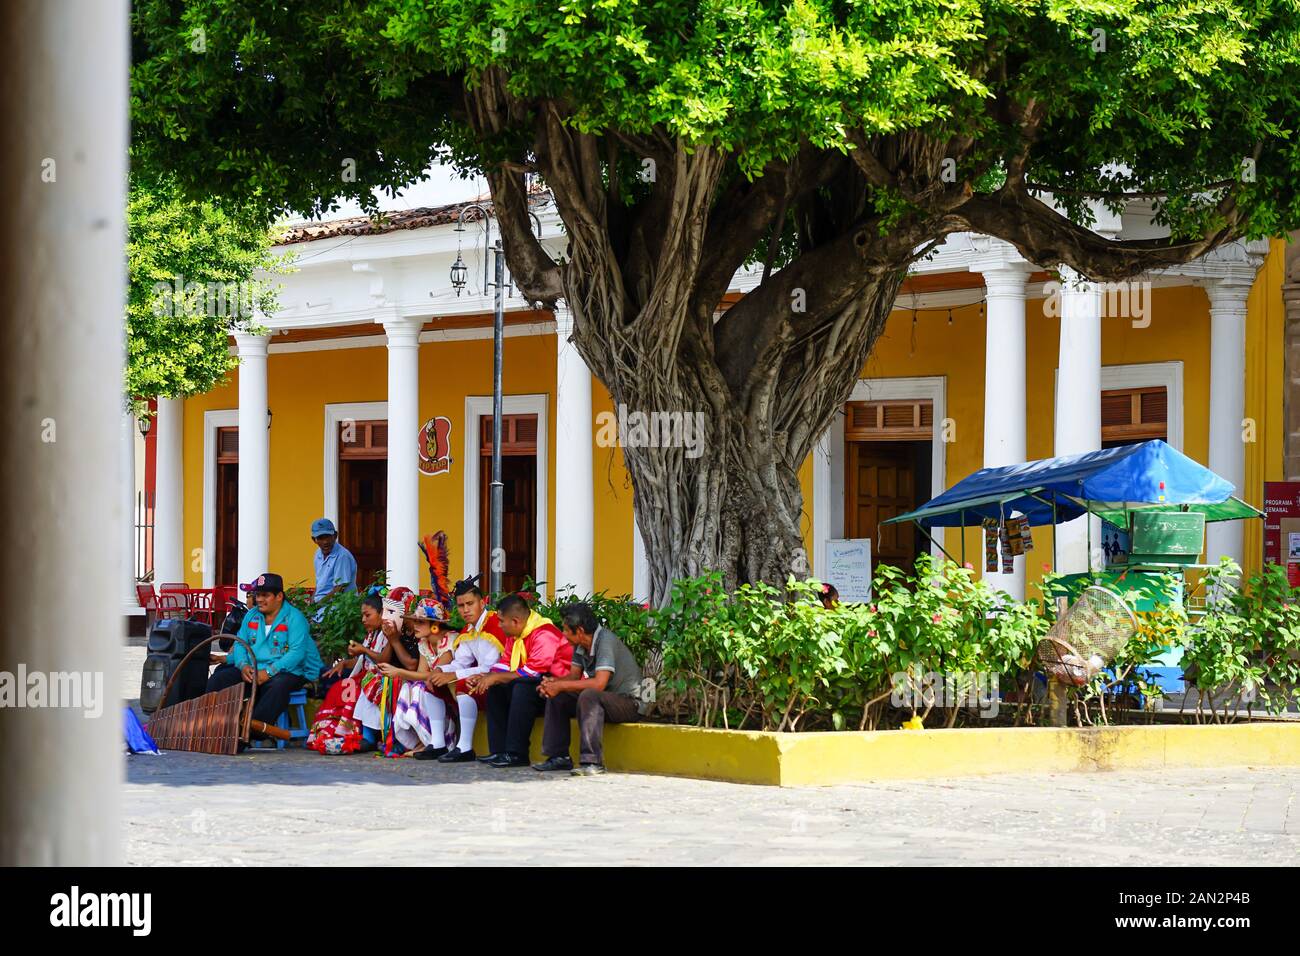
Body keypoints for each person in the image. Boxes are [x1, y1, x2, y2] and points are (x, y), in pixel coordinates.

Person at [534, 602, 645, 776]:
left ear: (578, 630)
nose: (563, 635)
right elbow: (572, 677)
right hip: (607, 699)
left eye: (565, 630)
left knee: (589, 695)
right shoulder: (581, 645)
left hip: (630, 703)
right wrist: (552, 683)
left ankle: (592, 762)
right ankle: (559, 757)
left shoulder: (605, 640)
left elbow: (599, 683)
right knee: (558, 696)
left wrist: (560, 685)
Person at [206, 572, 325, 733]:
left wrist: (268, 672)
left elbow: (296, 654)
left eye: (265, 595)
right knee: (220, 678)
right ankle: (211, 727)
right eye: (257, 595)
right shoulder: (251, 615)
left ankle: (250, 733)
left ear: (279, 596)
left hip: (293, 671)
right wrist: (243, 666)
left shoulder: (295, 618)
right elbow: (241, 644)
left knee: (277, 686)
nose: (259, 599)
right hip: (256, 668)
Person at [464, 592, 572, 768]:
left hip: (556, 690)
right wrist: (486, 677)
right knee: (496, 689)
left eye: (501, 621)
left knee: (522, 687)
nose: (499, 625)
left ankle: (517, 754)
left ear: (515, 621)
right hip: (533, 685)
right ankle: (499, 751)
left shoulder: (545, 634)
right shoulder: (515, 636)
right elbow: (505, 664)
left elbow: (533, 672)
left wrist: (496, 677)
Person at [425, 576, 507, 763]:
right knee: (430, 683)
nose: (465, 610)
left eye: (470, 604)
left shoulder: (494, 625)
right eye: (461, 606)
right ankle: (437, 743)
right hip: (482, 677)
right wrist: (439, 669)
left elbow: (488, 668)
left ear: (483, 602)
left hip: (499, 680)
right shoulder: (469, 629)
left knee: (463, 685)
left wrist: (453, 675)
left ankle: (465, 747)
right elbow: (461, 662)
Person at [306, 592, 393, 754]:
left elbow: (382, 660)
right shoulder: (372, 634)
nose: (363, 620)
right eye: (362, 615)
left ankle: (359, 735)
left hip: (380, 677)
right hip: (366, 676)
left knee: (354, 689)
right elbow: (364, 661)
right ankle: (330, 730)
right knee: (337, 688)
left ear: (382, 613)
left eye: (368, 615)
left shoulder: (388, 633)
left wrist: (363, 649)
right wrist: (345, 663)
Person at [388, 598, 459, 757]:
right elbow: (422, 673)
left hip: (450, 694)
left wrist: (399, 672)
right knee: (409, 687)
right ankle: (423, 741)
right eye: (415, 621)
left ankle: (437, 741)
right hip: (435, 692)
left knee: (421, 687)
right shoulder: (424, 643)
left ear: (435, 625)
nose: (415, 626)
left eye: (420, 622)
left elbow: (434, 675)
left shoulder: (449, 640)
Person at [311, 517, 357, 602]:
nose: (325, 542)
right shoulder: (318, 554)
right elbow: (319, 584)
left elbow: (340, 588)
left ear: (335, 536)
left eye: (328, 537)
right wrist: (312, 604)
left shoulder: (342, 556)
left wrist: (318, 606)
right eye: (321, 538)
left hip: (338, 605)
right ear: (314, 540)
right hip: (322, 603)